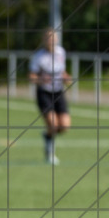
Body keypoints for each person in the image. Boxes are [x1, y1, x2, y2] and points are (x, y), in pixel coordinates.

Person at [28, 28, 71, 165]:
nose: (51, 40)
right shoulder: (38, 56)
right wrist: (40, 80)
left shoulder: (61, 52)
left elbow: (62, 71)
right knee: (53, 124)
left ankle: (47, 137)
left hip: (58, 92)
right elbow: (31, 76)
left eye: (53, 37)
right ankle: (50, 151)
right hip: (44, 93)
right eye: (48, 38)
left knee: (64, 126)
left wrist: (66, 77)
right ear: (44, 40)